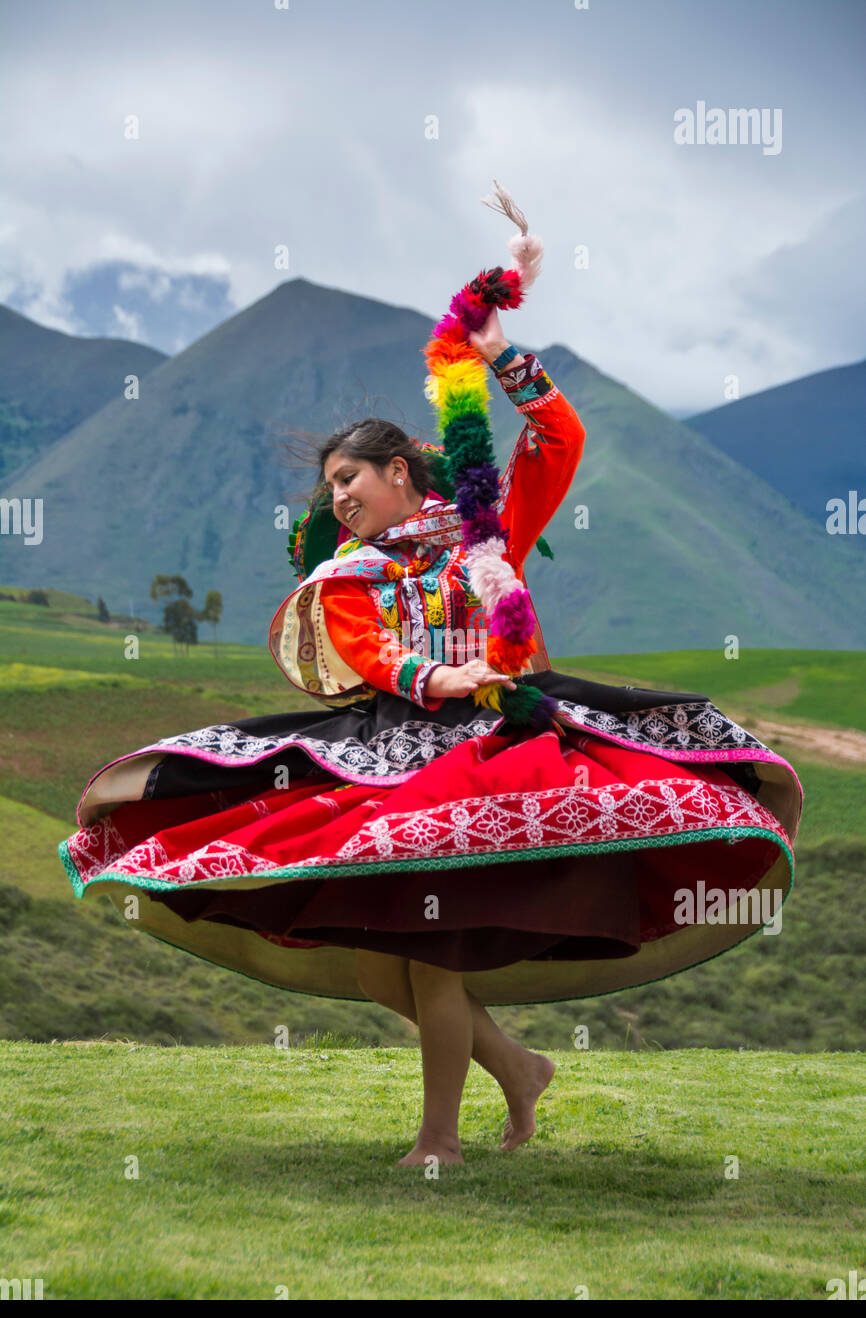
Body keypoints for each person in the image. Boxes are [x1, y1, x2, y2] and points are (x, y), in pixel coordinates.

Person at [58, 311, 803, 1169]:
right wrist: (440, 678)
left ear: (399, 471)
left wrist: (497, 356)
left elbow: (558, 437)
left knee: (427, 955)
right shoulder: (347, 578)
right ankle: (520, 1072)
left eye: (350, 478)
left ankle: (440, 1141)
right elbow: (375, 657)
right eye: (331, 487)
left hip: (496, 748)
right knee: (386, 969)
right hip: (398, 748)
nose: (337, 498)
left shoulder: (492, 528)